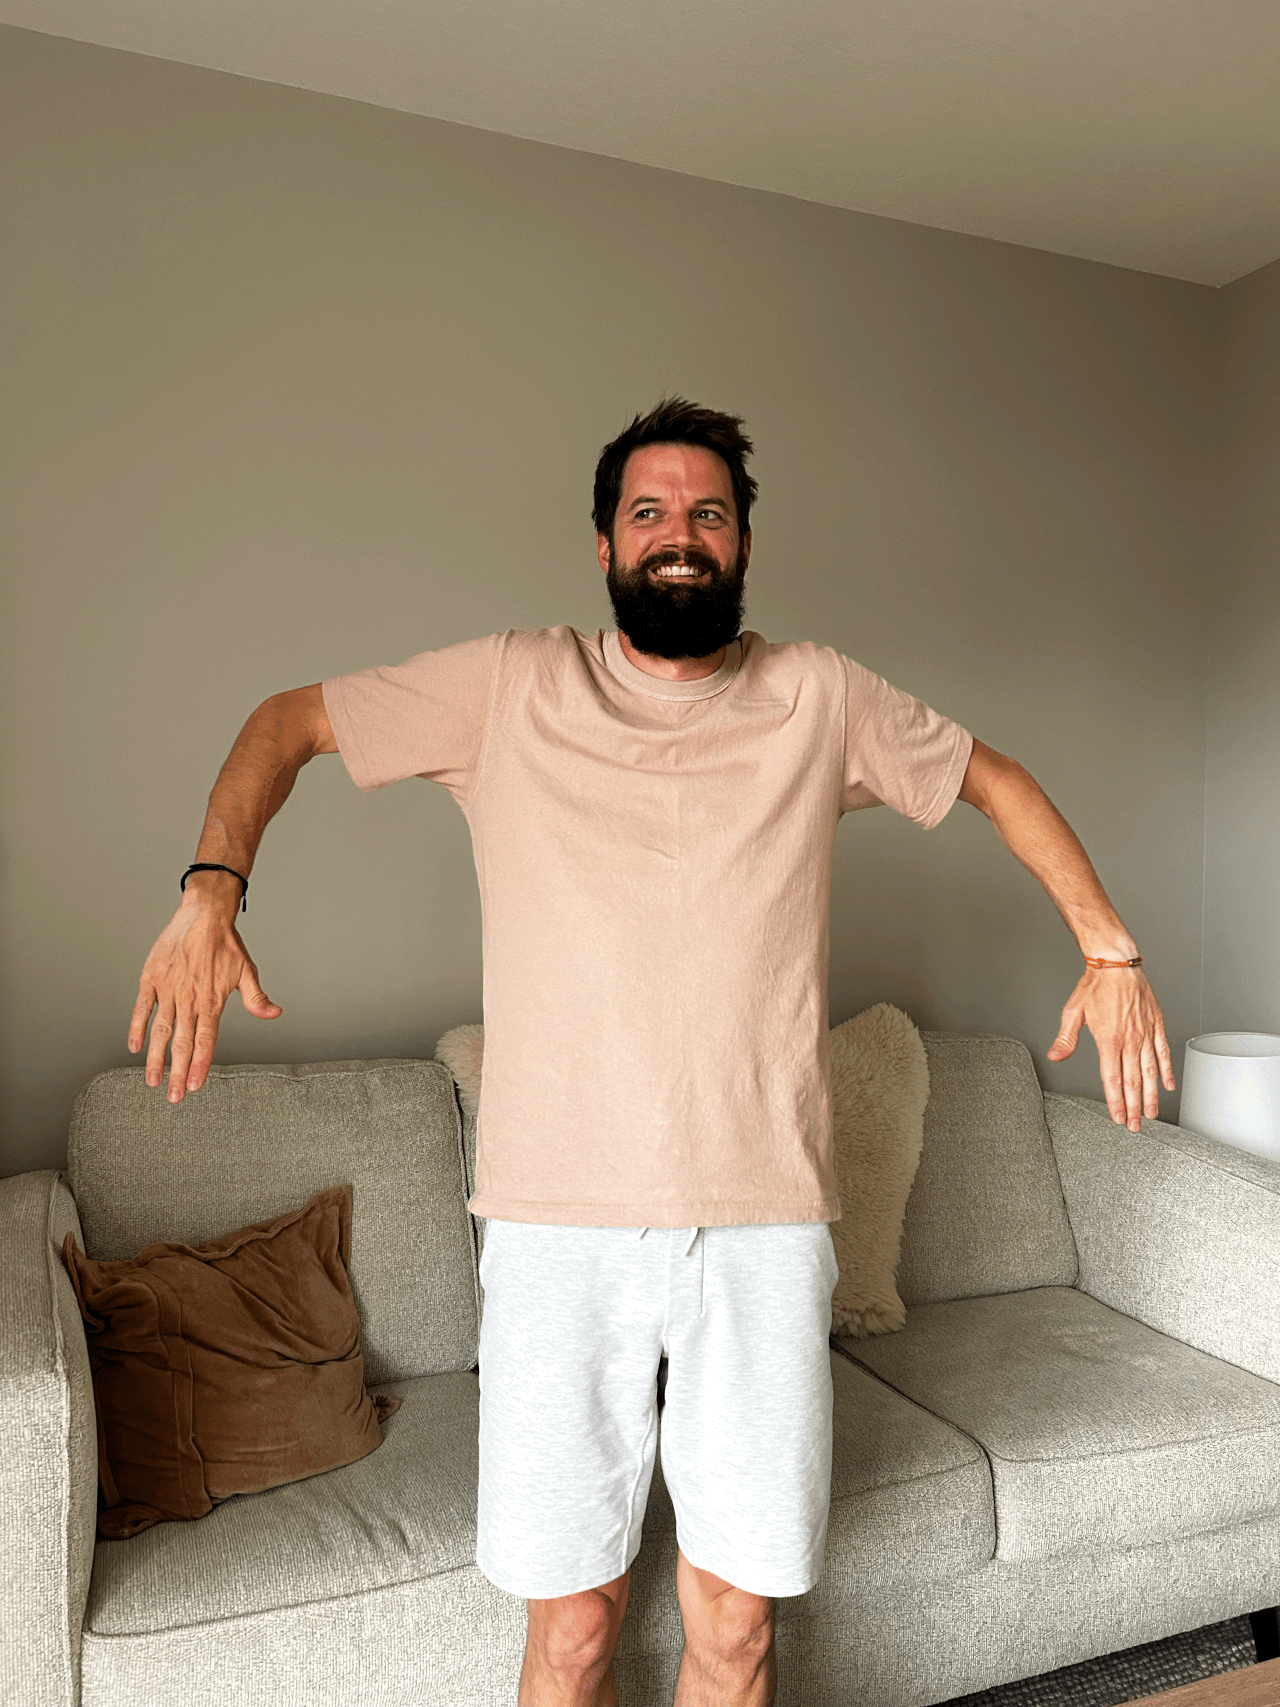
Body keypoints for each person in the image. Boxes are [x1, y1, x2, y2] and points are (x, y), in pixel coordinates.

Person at [130, 398, 1174, 1707]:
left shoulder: (820, 696)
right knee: (575, 1622)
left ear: (740, 543)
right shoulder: (509, 683)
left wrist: (1110, 950)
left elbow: (998, 778)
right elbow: (286, 720)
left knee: (733, 1620)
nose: (678, 534)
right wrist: (211, 888)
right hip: (560, 1229)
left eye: (707, 513)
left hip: (763, 1225)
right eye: (648, 512)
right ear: (606, 546)